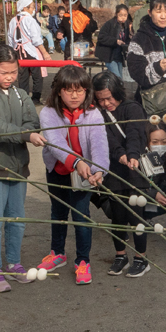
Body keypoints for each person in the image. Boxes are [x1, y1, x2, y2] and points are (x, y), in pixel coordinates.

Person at [0, 45, 44, 293]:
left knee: (17, 220)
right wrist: (24, 134)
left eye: (13, 72)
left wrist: (28, 132)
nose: (9, 77)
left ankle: (14, 264)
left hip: (19, 167)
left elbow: (32, 121)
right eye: (4, 72)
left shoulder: (22, 94)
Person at [38, 66, 109, 285]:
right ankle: (58, 252)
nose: (75, 95)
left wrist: (99, 171)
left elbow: (99, 144)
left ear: (87, 91)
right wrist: (76, 161)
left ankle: (83, 261)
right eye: (69, 90)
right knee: (58, 212)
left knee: (81, 216)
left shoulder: (93, 113)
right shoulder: (48, 113)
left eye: (80, 90)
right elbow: (55, 144)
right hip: (59, 171)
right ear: (59, 91)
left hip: (84, 176)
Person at [92, 71, 150, 278]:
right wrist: (120, 155)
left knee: (137, 216)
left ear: (118, 92)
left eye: (109, 97)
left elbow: (136, 133)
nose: (106, 103)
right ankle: (120, 255)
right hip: (114, 170)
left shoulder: (132, 108)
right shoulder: (98, 114)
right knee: (117, 216)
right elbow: (107, 140)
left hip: (135, 170)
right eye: (101, 99)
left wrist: (132, 155)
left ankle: (141, 257)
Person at [128, 0, 166, 179]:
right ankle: (155, 186)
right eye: (158, 11)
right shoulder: (139, 39)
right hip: (152, 105)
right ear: (150, 12)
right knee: (153, 144)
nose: (163, 16)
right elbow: (135, 71)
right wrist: (157, 67)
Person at [6, 0, 52, 103]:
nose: (33, 9)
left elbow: (10, 39)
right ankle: (35, 98)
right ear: (25, 8)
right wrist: (45, 53)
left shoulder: (12, 21)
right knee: (37, 76)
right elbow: (36, 39)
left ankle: (23, 98)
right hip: (31, 51)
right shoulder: (30, 20)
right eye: (32, 7)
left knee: (23, 76)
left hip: (17, 52)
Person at [137, 124, 166, 219]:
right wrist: (153, 194)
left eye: (164, 142)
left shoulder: (164, 156)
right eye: (155, 142)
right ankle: (138, 218)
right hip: (136, 196)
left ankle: (147, 216)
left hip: (152, 192)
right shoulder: (137, 158)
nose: (160, 146)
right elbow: (134, 186)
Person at [95, 4, 133, 78]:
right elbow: (101, 37)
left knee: (119, 78)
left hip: (119, 55)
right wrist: (115, 41)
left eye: (125, 15)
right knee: (117, 77)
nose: (123, 17)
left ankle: (114, 88)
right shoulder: (109, 24)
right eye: (121, 15)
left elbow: (126, 39)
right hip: (109, 55)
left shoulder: (126, 25)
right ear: (116, 14)